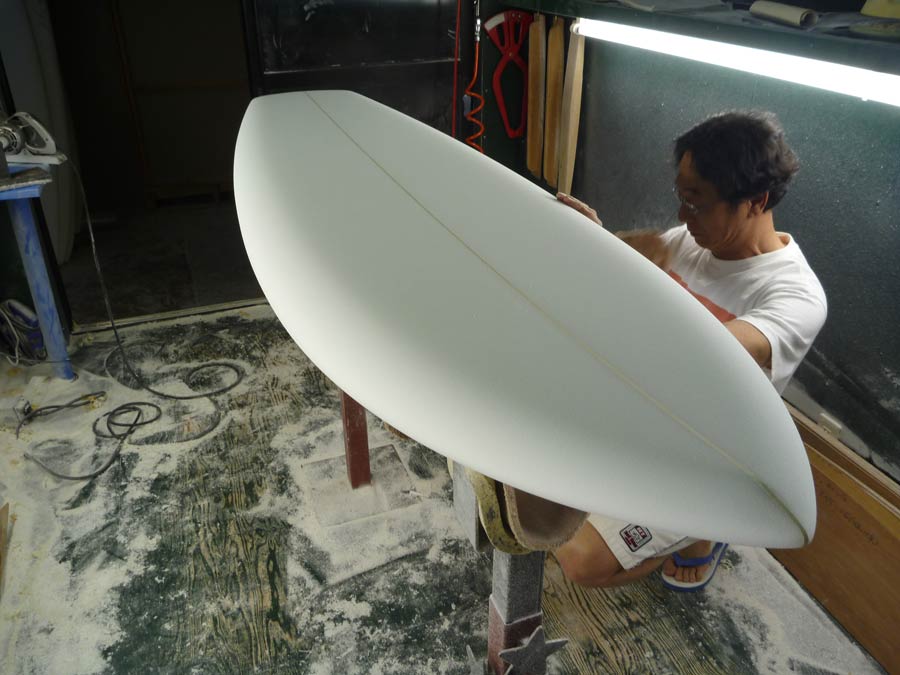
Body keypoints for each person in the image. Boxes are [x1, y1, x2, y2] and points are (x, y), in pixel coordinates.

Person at [553, 110, 827, 591]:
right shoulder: (691, 239)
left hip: (708, 455)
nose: (682, 217)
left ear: (755, 201)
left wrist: (618, 265)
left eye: (696, 202)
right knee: (524, 484)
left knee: (579, 559)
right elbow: (639, 259)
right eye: (681, 198)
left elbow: (706, 352)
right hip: (651, 411)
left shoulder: (795, 297)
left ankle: (708, 525)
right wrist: (593, 240)